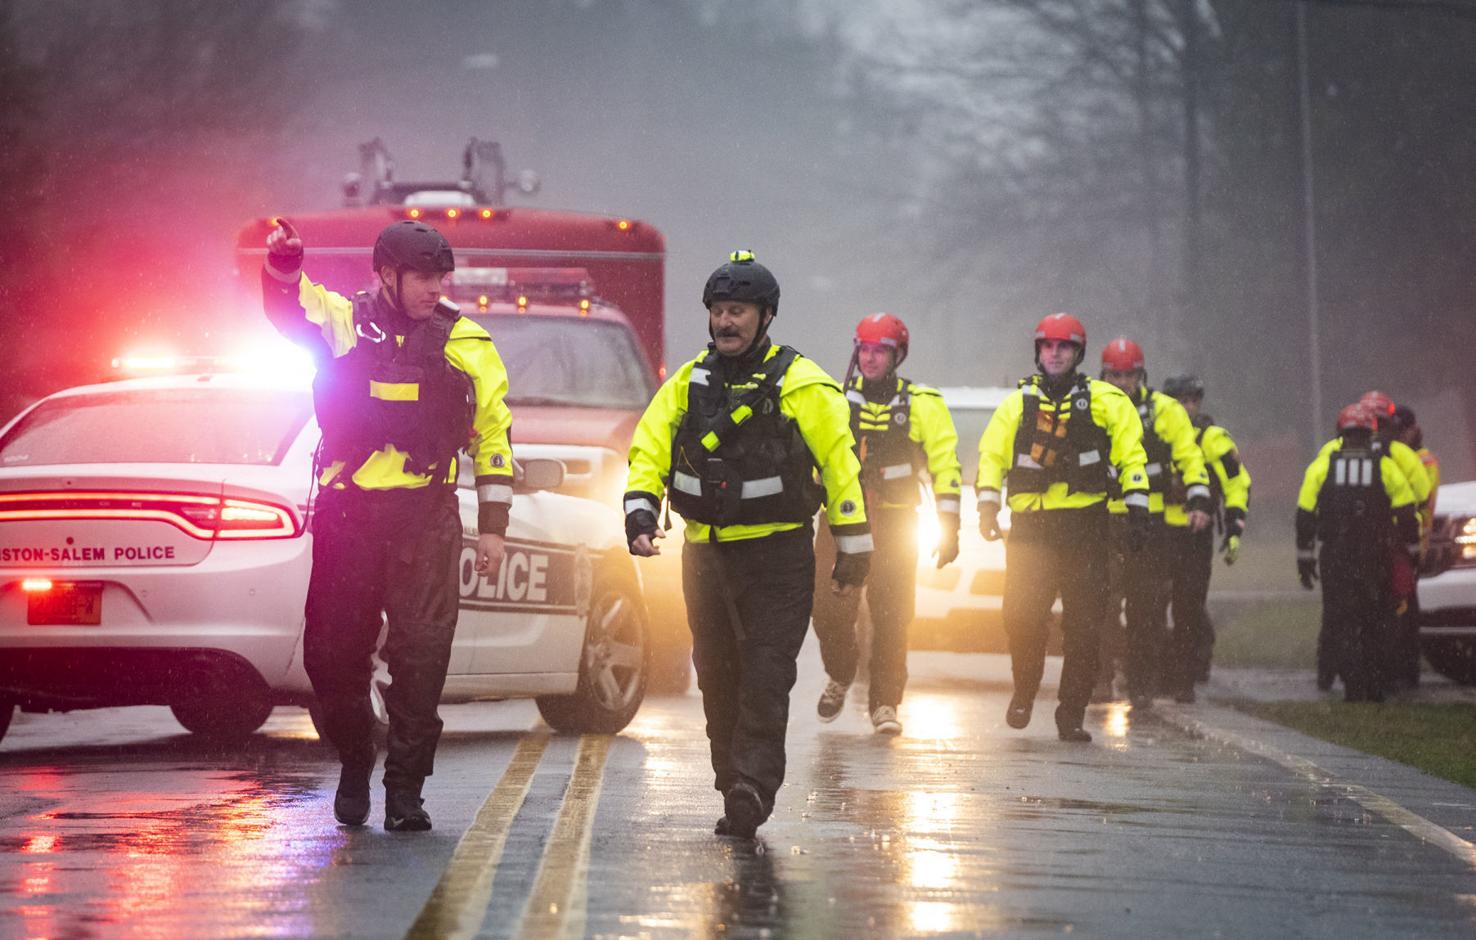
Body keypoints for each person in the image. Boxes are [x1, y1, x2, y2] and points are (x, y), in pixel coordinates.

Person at [261, 218, 514, 831]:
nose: (435, 288)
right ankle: (354, 757)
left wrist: (494, 527)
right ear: (386, 275)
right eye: (424, 276)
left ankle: (406, 792)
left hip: (426, 518)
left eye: (441, 277)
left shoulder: (467, 342)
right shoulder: (343, 320)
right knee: (329, 657)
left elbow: (494, 435)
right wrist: (284, 265)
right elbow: (289, 308)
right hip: (349, 516)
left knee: (423, 658)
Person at [623, 251, 871, 839]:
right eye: (717, 312)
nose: (725, 322)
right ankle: (731, 780)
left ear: (765, 317)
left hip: (778, 558)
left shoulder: (803, 384)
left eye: (737, 311)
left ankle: (753, 787)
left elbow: (842, 468)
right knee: (716, 674)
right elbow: (649, 450)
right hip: (704, 554)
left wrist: (854, 548)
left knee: (765, 673)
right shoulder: (687, 383)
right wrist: (638, 510)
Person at [975, 314, 1150, 742]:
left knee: (1086, 625)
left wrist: (1137, 510)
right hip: (1031, 529)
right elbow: (992, 457)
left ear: (1078, 353)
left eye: (1063, 347)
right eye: (1047, 346)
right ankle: (1025, 689)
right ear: (1037, 352)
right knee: (1021, 616)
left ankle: (1071, 712)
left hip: (1085, 529)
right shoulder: (1015, 405)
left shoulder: (1108, 401)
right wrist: (986, 505)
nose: (1054, 354)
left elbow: (1132, 457)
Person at [811, 313, 963, 735]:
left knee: (893, 615)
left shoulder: (922, 404)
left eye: (879, 350)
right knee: (825, 609)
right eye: (864, 349)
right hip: (842, 522)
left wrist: (950, 523)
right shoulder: (835, 401)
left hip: (897, 523)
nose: (870, 358)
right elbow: (813, 459)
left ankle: (885, 704)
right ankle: (841, 671)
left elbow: (946, 465)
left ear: (897, 356)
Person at [1095, 338, 1212, 708]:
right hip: (1104, 517)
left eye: (1128, 374)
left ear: (1141, 374)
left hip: (1150, 522)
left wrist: (1198, 496)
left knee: (1147, 608)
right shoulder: (1092, 405)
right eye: (1114, 374)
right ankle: (1099, 680)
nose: (1122, 382)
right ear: (1103, 374)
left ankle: (1141, 684)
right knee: (1102, 604)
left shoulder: (1164, 411)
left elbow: (1189, 455)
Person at [1296, 403, 1419, 702]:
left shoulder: (1323, 466)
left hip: (1336, 556)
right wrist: (1412, 553)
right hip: (1375, 556)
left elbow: (1304, 514)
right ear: (1370, 433)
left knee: (1341, 620)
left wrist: (1305, 557)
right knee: (1376, 619)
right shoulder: (1384, 466)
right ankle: (1374, 686)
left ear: (1341, 433)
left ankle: (1351, 686)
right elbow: (1406, 511)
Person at [1162, 374, 1252, 690]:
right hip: (1160, 530)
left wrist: (1234, 528)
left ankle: (1192, 666)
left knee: (1189, 603)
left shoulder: (1214, 439)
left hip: (1196, 533)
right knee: (1154, 602)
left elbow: (1237, 483)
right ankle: (1161, 671)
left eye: (1192, 401)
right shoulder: (1158, 434)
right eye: (1180, 401)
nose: (1187, 407)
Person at [1392, 403, 1439, 687]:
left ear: (1413, 430)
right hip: (1395, 543)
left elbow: (1420, 501)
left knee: (1406, 607)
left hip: (1413, 541)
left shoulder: (1423, 461)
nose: (1398, 437)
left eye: (1402, 431)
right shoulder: (1398, 457)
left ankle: (1408, 669)